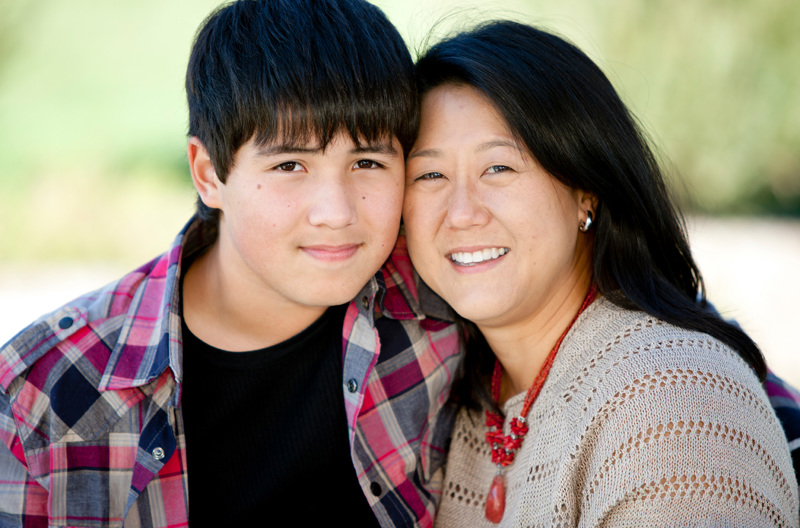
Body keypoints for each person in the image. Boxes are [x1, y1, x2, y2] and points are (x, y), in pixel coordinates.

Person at [0, 1, 461, 526]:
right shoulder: (38, 400)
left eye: (368, 162)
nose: (336, 213)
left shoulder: (443, 301)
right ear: (208, 174)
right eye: (290, 164)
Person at [402, 20, 799, 526]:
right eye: (430, 174)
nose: (461, 213)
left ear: (585, 189)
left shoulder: (671, 402)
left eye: (498, 168)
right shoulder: (456, 391)